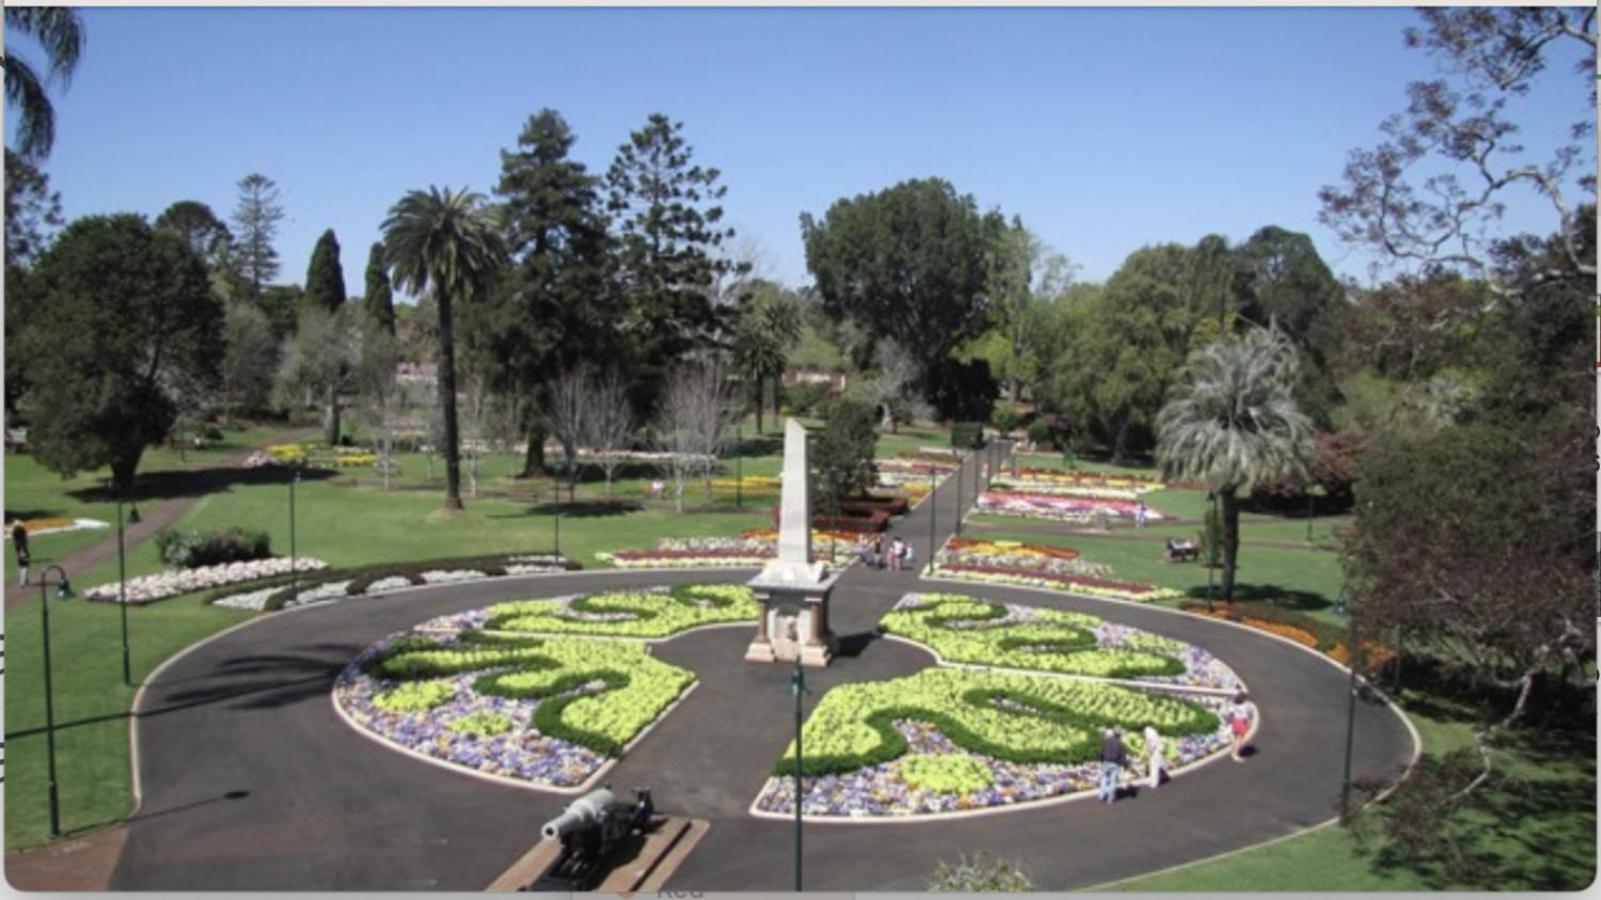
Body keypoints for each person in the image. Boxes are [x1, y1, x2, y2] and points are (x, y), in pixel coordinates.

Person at [1098, 728, 1127, 803]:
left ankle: (1102, 795)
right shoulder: (1121, 744)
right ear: (1120, 735)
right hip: (1115, 763)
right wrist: (1124, 765)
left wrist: (1101, 760)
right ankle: (1110, 798)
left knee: (1104, 779)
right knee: (1113, 780)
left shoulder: (1106, 741)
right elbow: (1123, 756)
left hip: (1106, 762)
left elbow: (1101, 752)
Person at [1228, 690, 1257, 761]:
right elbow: (1250, 714)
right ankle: (1236, 754)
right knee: (1240, 739)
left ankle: (1232, 751)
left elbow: (1230, 714)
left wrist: (1230, 721)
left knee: (1235, 738)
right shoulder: (1247, 705)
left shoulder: (1233, 704)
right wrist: (1249, 722)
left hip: (1235, 721)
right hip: (1242, 722)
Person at [1142, 724, 1164, 789]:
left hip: (1155, 752)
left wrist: (1150, 751)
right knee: (1152, 766)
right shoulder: (1151, 732)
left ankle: (1155, 782)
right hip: (1153, 751)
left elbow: (1152, 743)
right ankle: (1151, 779)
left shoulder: (1150, 734)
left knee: (1154, 767)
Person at [11, 521, 29, 588]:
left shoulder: (14, 532)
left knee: (20, 565)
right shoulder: (22, 530)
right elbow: (26, 539)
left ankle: (26, 580)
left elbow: (13, 541)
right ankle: (23, 582)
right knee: (25, 565)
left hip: (17, 550)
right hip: (23, 549)